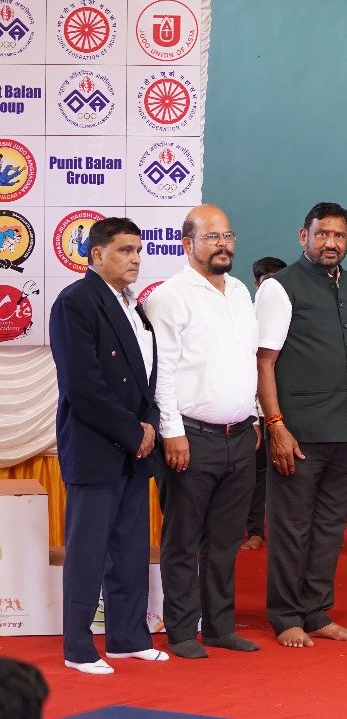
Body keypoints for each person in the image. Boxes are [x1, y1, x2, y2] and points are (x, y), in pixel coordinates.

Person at [49, 216, 168, 674]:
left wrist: (149, 424)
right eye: (124, 250)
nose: (135, 259)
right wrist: (134, 432)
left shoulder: (134, 306)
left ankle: (126, 638)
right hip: (96, 446)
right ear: (97, 255)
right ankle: (78, 648)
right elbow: (83, 386)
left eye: (138, 250)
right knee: (88, 551)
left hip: (135, 448)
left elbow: (147, 377)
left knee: (129, 548)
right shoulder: (76, 302)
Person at [145, 205, 261, 658]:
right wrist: (171, 432)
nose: (223, 244)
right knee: (183, 540)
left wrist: (253, 416)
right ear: (187, 243)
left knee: (226, 541)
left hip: (240, 436)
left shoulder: (241, 291)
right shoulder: (169, 297)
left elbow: (245, 361)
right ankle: (179, 632)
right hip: (191, 438)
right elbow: (162, 372)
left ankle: (219, 627)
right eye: (212, 237)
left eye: (227, 235)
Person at [255, 202, 347, 648]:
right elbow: (264, 362)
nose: (330, 243)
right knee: (291, 527)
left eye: (339, 235)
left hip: (345, 431)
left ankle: (317, 612)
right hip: (297, 433)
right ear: (303, 236)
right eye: (322, 234)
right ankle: (286, 616)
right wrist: (276, 424)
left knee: (330, 528)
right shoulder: (279, 287)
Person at [243, 255, 287, 551]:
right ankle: (251, 530)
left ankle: (268, 531)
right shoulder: (245, 315)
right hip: (252, 410)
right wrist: (252, 415)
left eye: (278, 280)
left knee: (278, 474)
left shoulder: (289, 314)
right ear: (257, 284)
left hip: (284, 407)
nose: (273, 286)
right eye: (267, 280)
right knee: (254, 473)